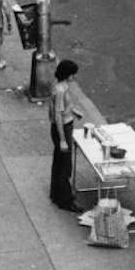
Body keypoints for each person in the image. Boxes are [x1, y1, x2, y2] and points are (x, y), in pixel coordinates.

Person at [49, 59, 83, 213]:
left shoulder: (60, 87)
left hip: (65, 124)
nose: (74, 77)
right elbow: (57, 115)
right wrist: (63, 140)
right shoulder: (60, 90)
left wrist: (73, 112)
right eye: (72, 74)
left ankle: (56, 193)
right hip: (63, 128)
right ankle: (65, 199)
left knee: (59, 162)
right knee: (64, 165)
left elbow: (64, 108)